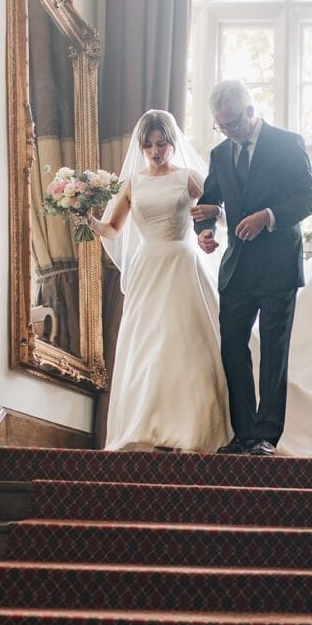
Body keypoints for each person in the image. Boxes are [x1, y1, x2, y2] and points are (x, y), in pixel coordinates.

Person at [90, 110, 231, 452]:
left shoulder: (188, 177)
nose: (155, 150)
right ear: (141, 146)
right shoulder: (132, 183)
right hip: (148, 266)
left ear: (172, 142)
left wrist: (208, 231)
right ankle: (146, 426)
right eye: (149, 144)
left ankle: (192, 427)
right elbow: (113, 229)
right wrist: (89, 220)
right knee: (147, 345)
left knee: (184, 342)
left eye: (162, 143)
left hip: (182, 263)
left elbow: (217, 214)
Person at [193, 80, 312, 456]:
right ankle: (244, 433)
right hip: (237, 268)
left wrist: (269, 216)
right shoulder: (219, 154)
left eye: (232, 124)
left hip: (279, 265)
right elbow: (208, 202)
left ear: (250, 112)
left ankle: (266, 436)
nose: (228, 132)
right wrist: (205, 232)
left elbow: (309, 197)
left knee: (274, 352)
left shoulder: (287, 143)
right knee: (232, 346)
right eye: (221, 126)